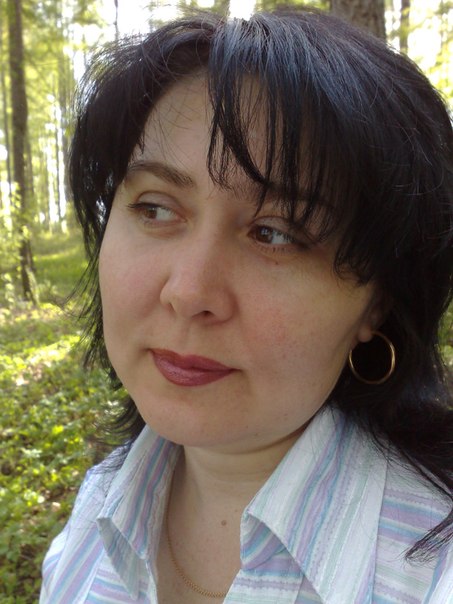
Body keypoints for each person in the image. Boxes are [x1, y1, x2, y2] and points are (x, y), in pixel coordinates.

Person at [40, 8, 453, 604]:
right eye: (155, 208)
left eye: (276, 233)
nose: (188, 293)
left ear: (376, 301)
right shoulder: (95, 512)